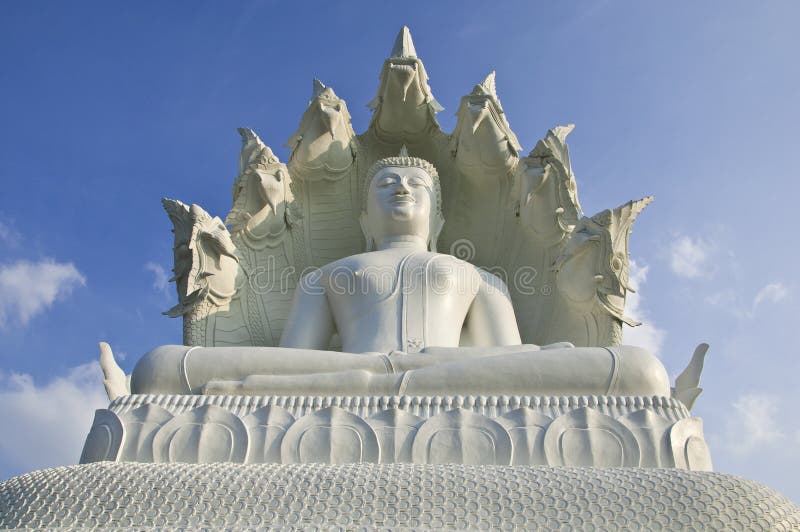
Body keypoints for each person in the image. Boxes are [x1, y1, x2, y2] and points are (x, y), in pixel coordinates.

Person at [126, 151, 669, 398]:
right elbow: (296, 362)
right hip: (342, 381)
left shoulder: (479, 277)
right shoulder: (327, 276)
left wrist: (425, 364)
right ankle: (377, 378)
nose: (402, 188)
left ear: (439, 218)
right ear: (364, 219)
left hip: (452, 381)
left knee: (641, 372)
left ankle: (387, 378)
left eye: (416, 184)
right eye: (386, 184)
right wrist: (372, 367)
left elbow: (507, 364)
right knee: (159, 368)